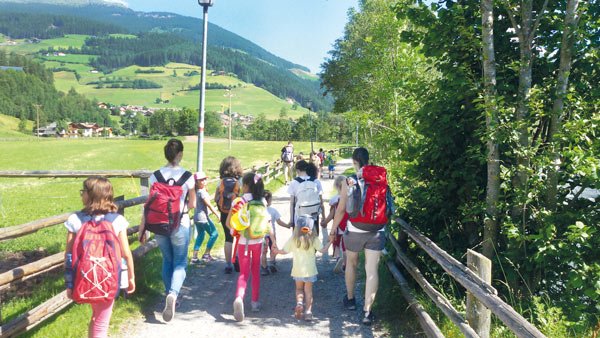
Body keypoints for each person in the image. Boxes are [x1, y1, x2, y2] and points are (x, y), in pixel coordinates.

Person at [65, 177, 135, 338]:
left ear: (91, 195)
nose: (81, 195)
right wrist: (131, 277)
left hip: (83, 275)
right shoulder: (117, 220)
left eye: (83, 191)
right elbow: (126, 253)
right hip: (107, 275)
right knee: (101, 322)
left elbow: (69, 255)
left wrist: (69, 282)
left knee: (96, 318)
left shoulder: (75, 219)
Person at [139, 139, 196, 323]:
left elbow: (149, 205)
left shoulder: (155, 176)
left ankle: (168, 294)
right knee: (180, 263)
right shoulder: (188, 176)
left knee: (167, 261)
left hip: (159, 224)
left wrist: (142, 229)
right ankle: (173, 294)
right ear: (180, 154)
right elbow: (193, 204)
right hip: (181, 224)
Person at [328, 147, 385, 326]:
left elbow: (342, 208)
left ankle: (351, 300)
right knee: (372, 270)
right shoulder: (380, 177)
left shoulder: (350, 180)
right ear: (368, 160)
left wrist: (332, 230)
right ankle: (367, 312)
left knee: (352, 264)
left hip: (354, 229)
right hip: (376, 230)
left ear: (354, 161)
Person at [228, 173, 274, 322]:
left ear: (246, 186)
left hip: (243, 242)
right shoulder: (262, 201)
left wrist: (236, 232)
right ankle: (254, 303)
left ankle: (239, 298)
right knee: (256, 271)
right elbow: (267, 221)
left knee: (243, 273)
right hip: (258, 240)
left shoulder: (239, 201)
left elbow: (230, 223)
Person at [271, 216, 332, 321]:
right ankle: (308, 312)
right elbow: (322, 251)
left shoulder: (294, 239)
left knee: (299, 289)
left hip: (297, 270)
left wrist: (277, 251)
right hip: (310, 271)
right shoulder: (313, 239)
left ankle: (299, 303)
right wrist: (330, 242)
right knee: (308, 292)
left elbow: (284, 251)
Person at [215, 156, 243, 273]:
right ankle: (236, 259)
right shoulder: (240, 181)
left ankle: (227, 265)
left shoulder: (220, 181)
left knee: (228, 237)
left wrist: (220, 209)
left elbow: (216, 197)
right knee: (239, 236)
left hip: (224, 212)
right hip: (237, 212)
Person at [288, 160, 325, 237]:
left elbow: (292, 203)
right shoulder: (316, 181)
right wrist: (324, 217)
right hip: (313, 215)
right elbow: (321, 202)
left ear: (297, 170)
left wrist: (291, 220)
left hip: (299, 216)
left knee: (299, 241)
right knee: (313, 239)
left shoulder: (294, 182)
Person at [191, 172, 220, 264]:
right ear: (196, 182)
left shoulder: (196, 191)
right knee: (214, 234)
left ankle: (194, 257)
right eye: (201, 180)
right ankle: (206, 254)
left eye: (205, 179)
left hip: (197, 218)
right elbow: (209, 205)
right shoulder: (201, 192)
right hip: (203, 218)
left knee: (200, 235)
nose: (204, 181)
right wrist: (217, 214)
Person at [321, 175, 348, 274]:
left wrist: (325, 222)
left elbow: (332, 214)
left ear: (336, 186)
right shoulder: (349, 198)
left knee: (336, 244)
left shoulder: (334, 199)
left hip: (337, 226)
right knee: (345, 246)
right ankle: (345, 264)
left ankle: (338, 258)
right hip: (347, 226)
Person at [261, 190, 290, 275]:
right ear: (269, 200)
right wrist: (287, 226)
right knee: (273, 249)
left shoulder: (260, 210)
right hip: (271, 235)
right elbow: (279, 222)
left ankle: (264, 267)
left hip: (262, 235)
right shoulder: (273, 211)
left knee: (264, 252)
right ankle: (272, 262)